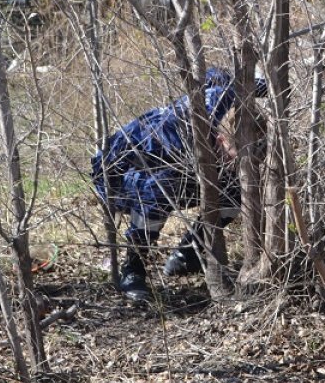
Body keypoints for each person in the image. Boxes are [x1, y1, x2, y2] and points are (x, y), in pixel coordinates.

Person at [91, 67, 266, 302]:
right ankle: (134, 268)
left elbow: (216, 75)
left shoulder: (223, 100)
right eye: (237, 156)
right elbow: (116, 163)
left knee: (237, 189)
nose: (244, 164)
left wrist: (271, 84)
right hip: (115, 177)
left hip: (174, 169)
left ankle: (187, 255)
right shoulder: (175, 137)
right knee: (159, 186)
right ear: (221, 139)